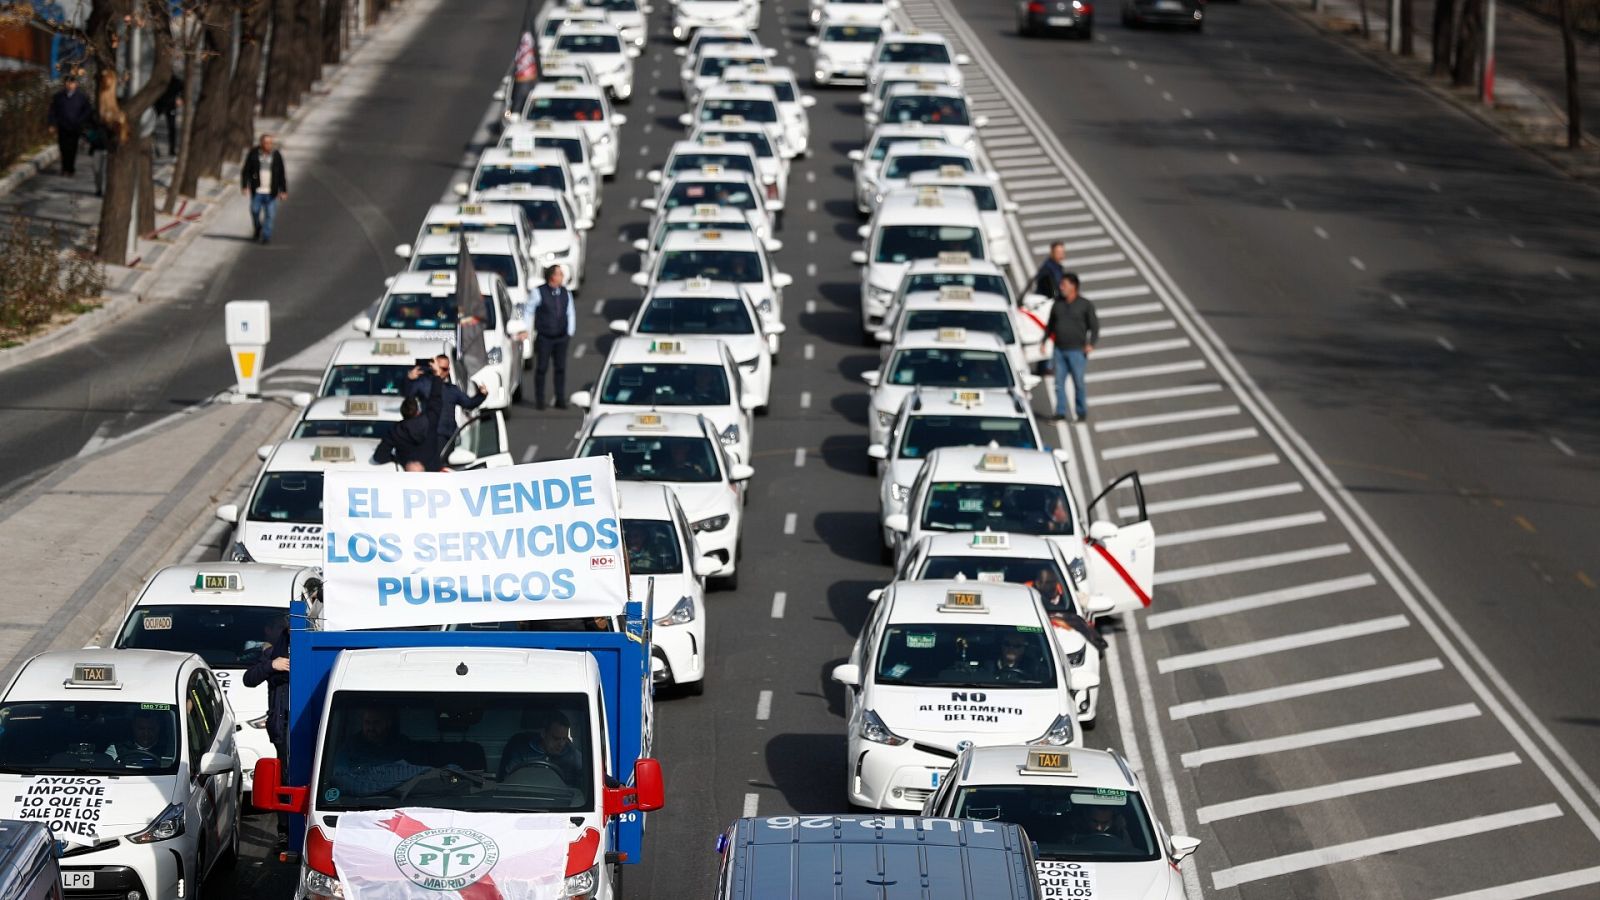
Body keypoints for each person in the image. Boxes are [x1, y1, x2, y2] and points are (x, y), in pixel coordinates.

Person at [244, 614, 292, 851]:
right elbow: (249, 678)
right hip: (283, 729)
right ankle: (284, 833)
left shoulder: (310, 652)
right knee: (285, 781)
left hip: (305, 727)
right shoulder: (273, 655)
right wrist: (272, 665)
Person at [403, 355, 488, 470]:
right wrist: (409, 379)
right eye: (440, 368)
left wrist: (482, 395)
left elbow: (469, 403)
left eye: (445, 369)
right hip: (427, 436)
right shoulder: (423, 384)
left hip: (446, 437)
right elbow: (408, 397)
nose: (443, 371)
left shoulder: (452, 390)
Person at [1045, 273, 1098, 422]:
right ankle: (1060, 412)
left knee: (1078, 383)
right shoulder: (1058, 304)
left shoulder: (1085, 305)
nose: (1061, 287)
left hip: (1077, 351)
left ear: (1074, 286)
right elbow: (1051, 324)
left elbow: (1094, 326)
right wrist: (1044, 341)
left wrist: (1091, 344)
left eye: (1064, 284)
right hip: (1059, 350)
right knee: (1059, 383)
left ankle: (1081, 412)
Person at [527, 265, 576, 410]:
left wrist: (570, 331)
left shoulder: (566, 293)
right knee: (542, 368)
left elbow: (570, 311)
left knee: (560, 368)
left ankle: (560, 398)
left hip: (561, 337)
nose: (562, 277)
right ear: (552, 276)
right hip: (545, 337)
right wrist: (525, 330)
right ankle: (540, 400)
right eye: (559, 274)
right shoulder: (539, 292)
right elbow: (529, 311)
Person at [499, 712, 583, 785]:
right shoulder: (522, 751)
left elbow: (587, 775)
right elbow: (508, 779)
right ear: (543, 734)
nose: (561, 744)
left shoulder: (572, 753)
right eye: (556, 738)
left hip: (562, 800)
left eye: (564, 739)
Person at [241, 133, 288, 244]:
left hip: (271, 192)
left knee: (270, 215)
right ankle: (258, 228)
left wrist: (283, 191)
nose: (269, 145)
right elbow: (246, 171)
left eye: (270, 143)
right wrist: (244, 186)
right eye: (266, 143)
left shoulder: (276, 156)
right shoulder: (254, 154)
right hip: (257, 191)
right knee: (254, 210)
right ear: (261, 143)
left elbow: (281, 174)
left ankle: (266, 236)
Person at [46, 75, 94, 177]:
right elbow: (52, 111)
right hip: (62, 125)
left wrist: (81, 120)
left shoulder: (81, 97)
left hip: (75, 126)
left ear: (76, 84)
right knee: (63, 147)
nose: (70, 85)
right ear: (64, 84)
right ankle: (64, 168)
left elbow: (87, 110)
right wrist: (52, 123)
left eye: (72, 82)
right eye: (67, 82)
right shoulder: (58, 96)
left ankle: (70, 169)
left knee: (72, 148)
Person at [371, 396, 432, 469]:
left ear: (402, 412)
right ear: (418, 412)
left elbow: (379, 456)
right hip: (432, 474)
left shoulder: (396, 431)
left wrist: (397, 459)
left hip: (406, 473)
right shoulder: (431, 426)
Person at [104, 710, 170, 767]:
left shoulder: (169, 750)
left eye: (151, 729)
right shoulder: (116, 749)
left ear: (158, 728)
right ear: (133, 727)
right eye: (141, 729)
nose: (146, 733)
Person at [154, 72, 184, 157]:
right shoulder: (158, 79)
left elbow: (183, 89)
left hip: (171, 106)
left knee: (172, 128)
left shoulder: (176, 81)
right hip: (159, 105)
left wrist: (180, 99)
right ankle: (156, 150)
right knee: (151, 126)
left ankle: (172, 150)